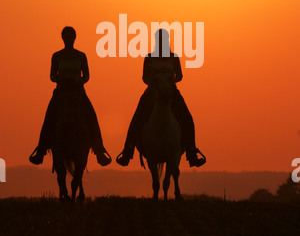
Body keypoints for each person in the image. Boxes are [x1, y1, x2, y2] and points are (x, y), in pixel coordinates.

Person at [116, 29, 206, 168]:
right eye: (159, 39)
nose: (161, 42)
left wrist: (169, 81)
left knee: (187, 118)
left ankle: (191, 151)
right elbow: (144, 77)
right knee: (137, 117)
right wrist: (154, 83)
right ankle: (128, 150)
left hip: (171, 91)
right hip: (153, 91)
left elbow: (180, 76)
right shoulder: (149, 57)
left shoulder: (173, 57)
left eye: (163, 39)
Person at [29, 26, 111, 166]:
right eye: (66, 37)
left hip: (77, 92)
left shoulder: (81, 55)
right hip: (61, 91)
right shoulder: (56, 56)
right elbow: (52, 74)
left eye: (71, 37)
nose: (68, 39)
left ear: (74, 38)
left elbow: (86, 75)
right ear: (63, 39)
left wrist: (79, 81)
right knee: (49, 116)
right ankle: (41, 150)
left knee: (91, 115)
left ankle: (99, 150)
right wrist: (57, 79)